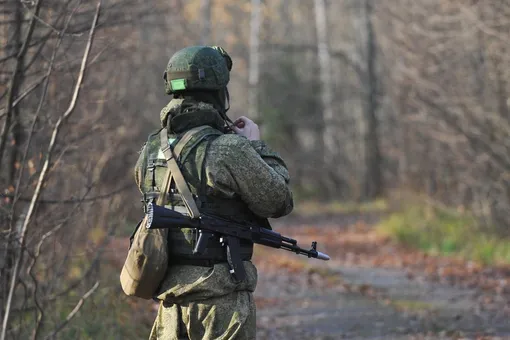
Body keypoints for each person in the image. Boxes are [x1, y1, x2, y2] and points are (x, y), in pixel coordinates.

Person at [133, 45, 294, 340]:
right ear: (219, 92)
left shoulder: (150, 150)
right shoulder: (229, 149)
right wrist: (255, 146)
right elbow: (278, 199)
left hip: (170, 309)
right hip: (222, 309)